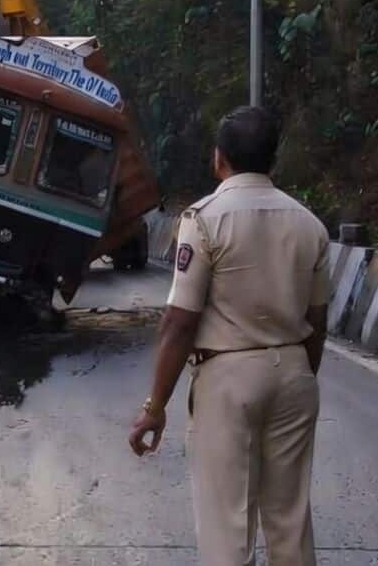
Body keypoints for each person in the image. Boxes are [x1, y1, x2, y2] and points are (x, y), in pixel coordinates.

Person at [128, 106, 330, 566]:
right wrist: (299, 376)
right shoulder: (309, 224)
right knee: (289, 517)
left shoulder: (203, 220)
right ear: (272, 160)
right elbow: (318, 320)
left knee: (227, 522)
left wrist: (154, 407)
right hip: (295, 371)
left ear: (219, 158)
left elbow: (180, 322)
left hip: (228, 377)